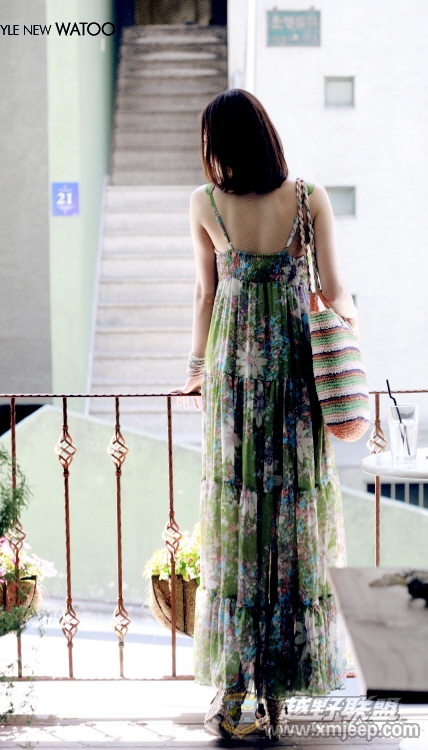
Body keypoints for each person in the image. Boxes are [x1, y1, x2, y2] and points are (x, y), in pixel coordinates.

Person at [170, 89, 357, 739]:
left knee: (239, 529)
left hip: (234, 384)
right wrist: (350, 334)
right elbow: (334, 291)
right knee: (290, 527)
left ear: (218, 146)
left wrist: (195, 370)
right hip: (296, 383)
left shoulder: (204, 202)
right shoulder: (309, 199)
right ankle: (277, 698)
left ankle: (231, 697)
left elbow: (205, 294)